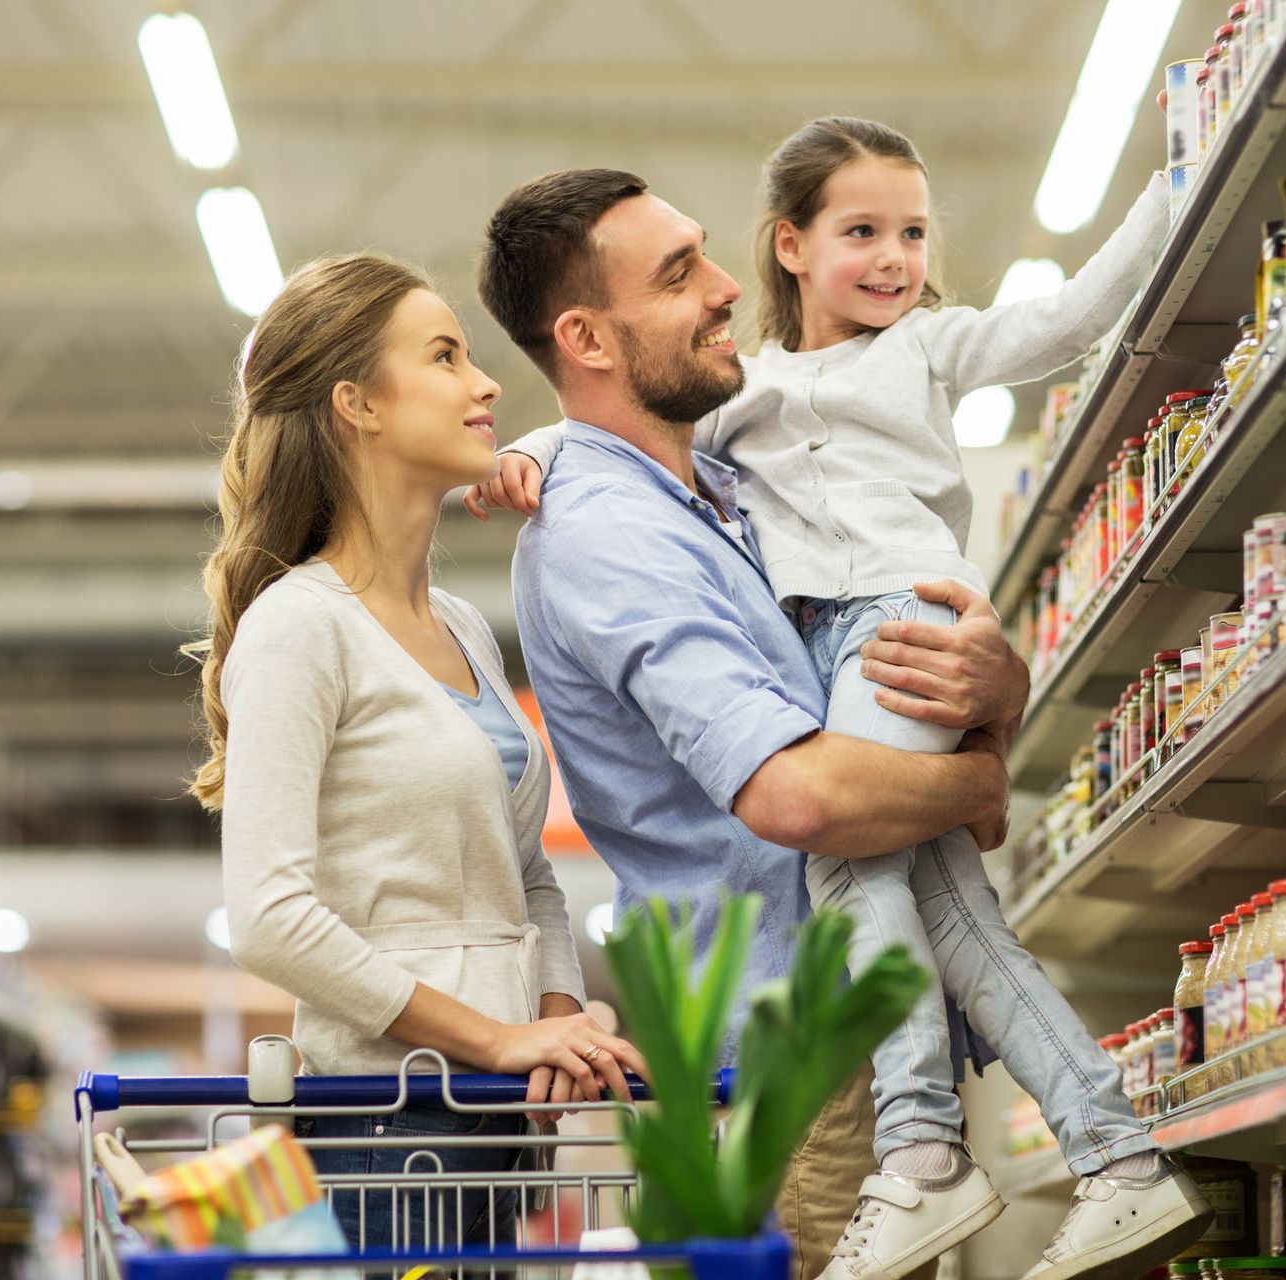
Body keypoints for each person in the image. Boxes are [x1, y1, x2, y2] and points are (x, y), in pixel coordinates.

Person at [474, 119, 1211, 1280]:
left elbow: (1060, 323)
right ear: (586, 335)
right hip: (796, 1031)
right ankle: (1058, 1155)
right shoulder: (616, 517)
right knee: (933, 910)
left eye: (912, 231)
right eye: (679, 273)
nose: (724, 289)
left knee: (969, 929)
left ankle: (1051, 1156)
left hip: (835, 1012)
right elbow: (804, 799)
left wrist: (997, 688)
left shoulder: (720, 481)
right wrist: (974, 773)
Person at [184, 251, 646, 1262]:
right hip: (384, 1128)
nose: (485, 384)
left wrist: (555, 1026)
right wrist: (497, 1038)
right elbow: (269, 914)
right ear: (358, 404)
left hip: (495, 1123)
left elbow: (528, 875)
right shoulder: (300, 626)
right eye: (444, 356)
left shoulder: (464, 626)